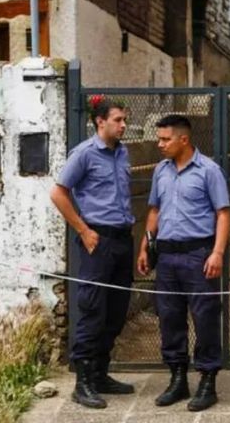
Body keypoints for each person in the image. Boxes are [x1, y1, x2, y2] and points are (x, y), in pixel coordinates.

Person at [137, 114, 230, 412]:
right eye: (159, 138)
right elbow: (154, 211)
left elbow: (223, 214)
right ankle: (178, 378)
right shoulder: (161, 171)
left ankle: (207, 380)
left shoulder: (209, 171)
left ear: (184, 139)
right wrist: (144, 247)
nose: (160, 144)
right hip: (166, 257)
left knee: (204, 317)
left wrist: (216, 253)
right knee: (169, 317)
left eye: (165, 139)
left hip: (198, 255)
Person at [50, 96, 135, 409]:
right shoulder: (84, 154)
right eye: (118, 120)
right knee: (92, 309)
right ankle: (82, 381)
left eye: (124, 120)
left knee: (116, 310)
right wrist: (83, 231)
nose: (123, 125)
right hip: (97, 241)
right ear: (100, 122)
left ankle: (100, 373)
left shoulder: (123, 152)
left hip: (123, 239)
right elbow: (58, 193)